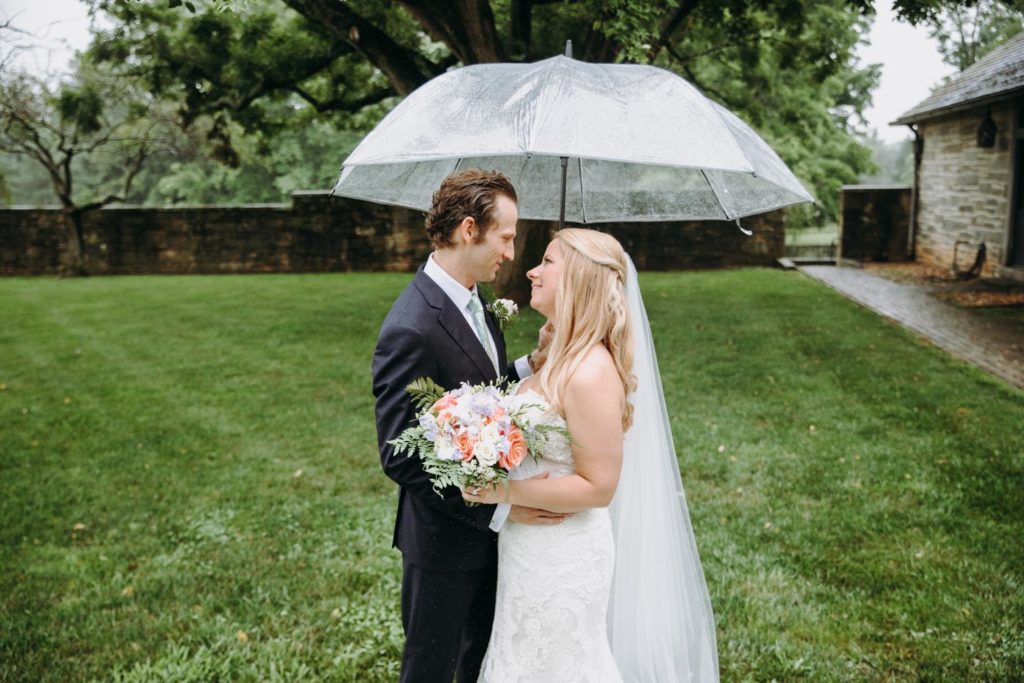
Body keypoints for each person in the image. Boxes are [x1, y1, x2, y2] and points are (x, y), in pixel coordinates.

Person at [465, 228, 720, 682]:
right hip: (527, 550)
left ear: (579, 277)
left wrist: (498, 492)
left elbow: (599, 486)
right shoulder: (560, 357)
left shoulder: (589, 372)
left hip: (563, 552)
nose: (531, 270)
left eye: (547, 261)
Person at [371, 169, 562, 683]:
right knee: (433, 670)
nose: (511, 250)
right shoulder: (411, 327)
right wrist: (502, 508)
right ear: (469, 229)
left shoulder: (473, 296)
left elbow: (479, 392)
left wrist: (529, 367)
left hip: (488, 542)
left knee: (478, 663)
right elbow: (400, 455)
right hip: (442, 546)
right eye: (505, 236)